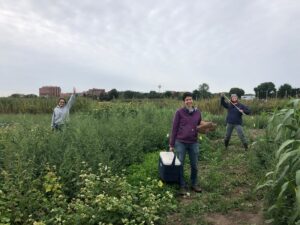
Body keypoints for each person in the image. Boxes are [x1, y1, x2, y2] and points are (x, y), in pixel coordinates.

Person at [169, 92, 202, 195]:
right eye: (187, 99)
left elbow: (200, 125)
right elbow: (174, 128)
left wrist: (206, 128)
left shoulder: (197, 112)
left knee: (194, 165)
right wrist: (172, 144)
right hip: (181, 142)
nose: (189, 101)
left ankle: (194, 184)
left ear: (193, 100)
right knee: (180, 164)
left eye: (190, 99)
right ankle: (182, 185)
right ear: (184, 101)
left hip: (193, 142)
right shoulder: (179, 112)